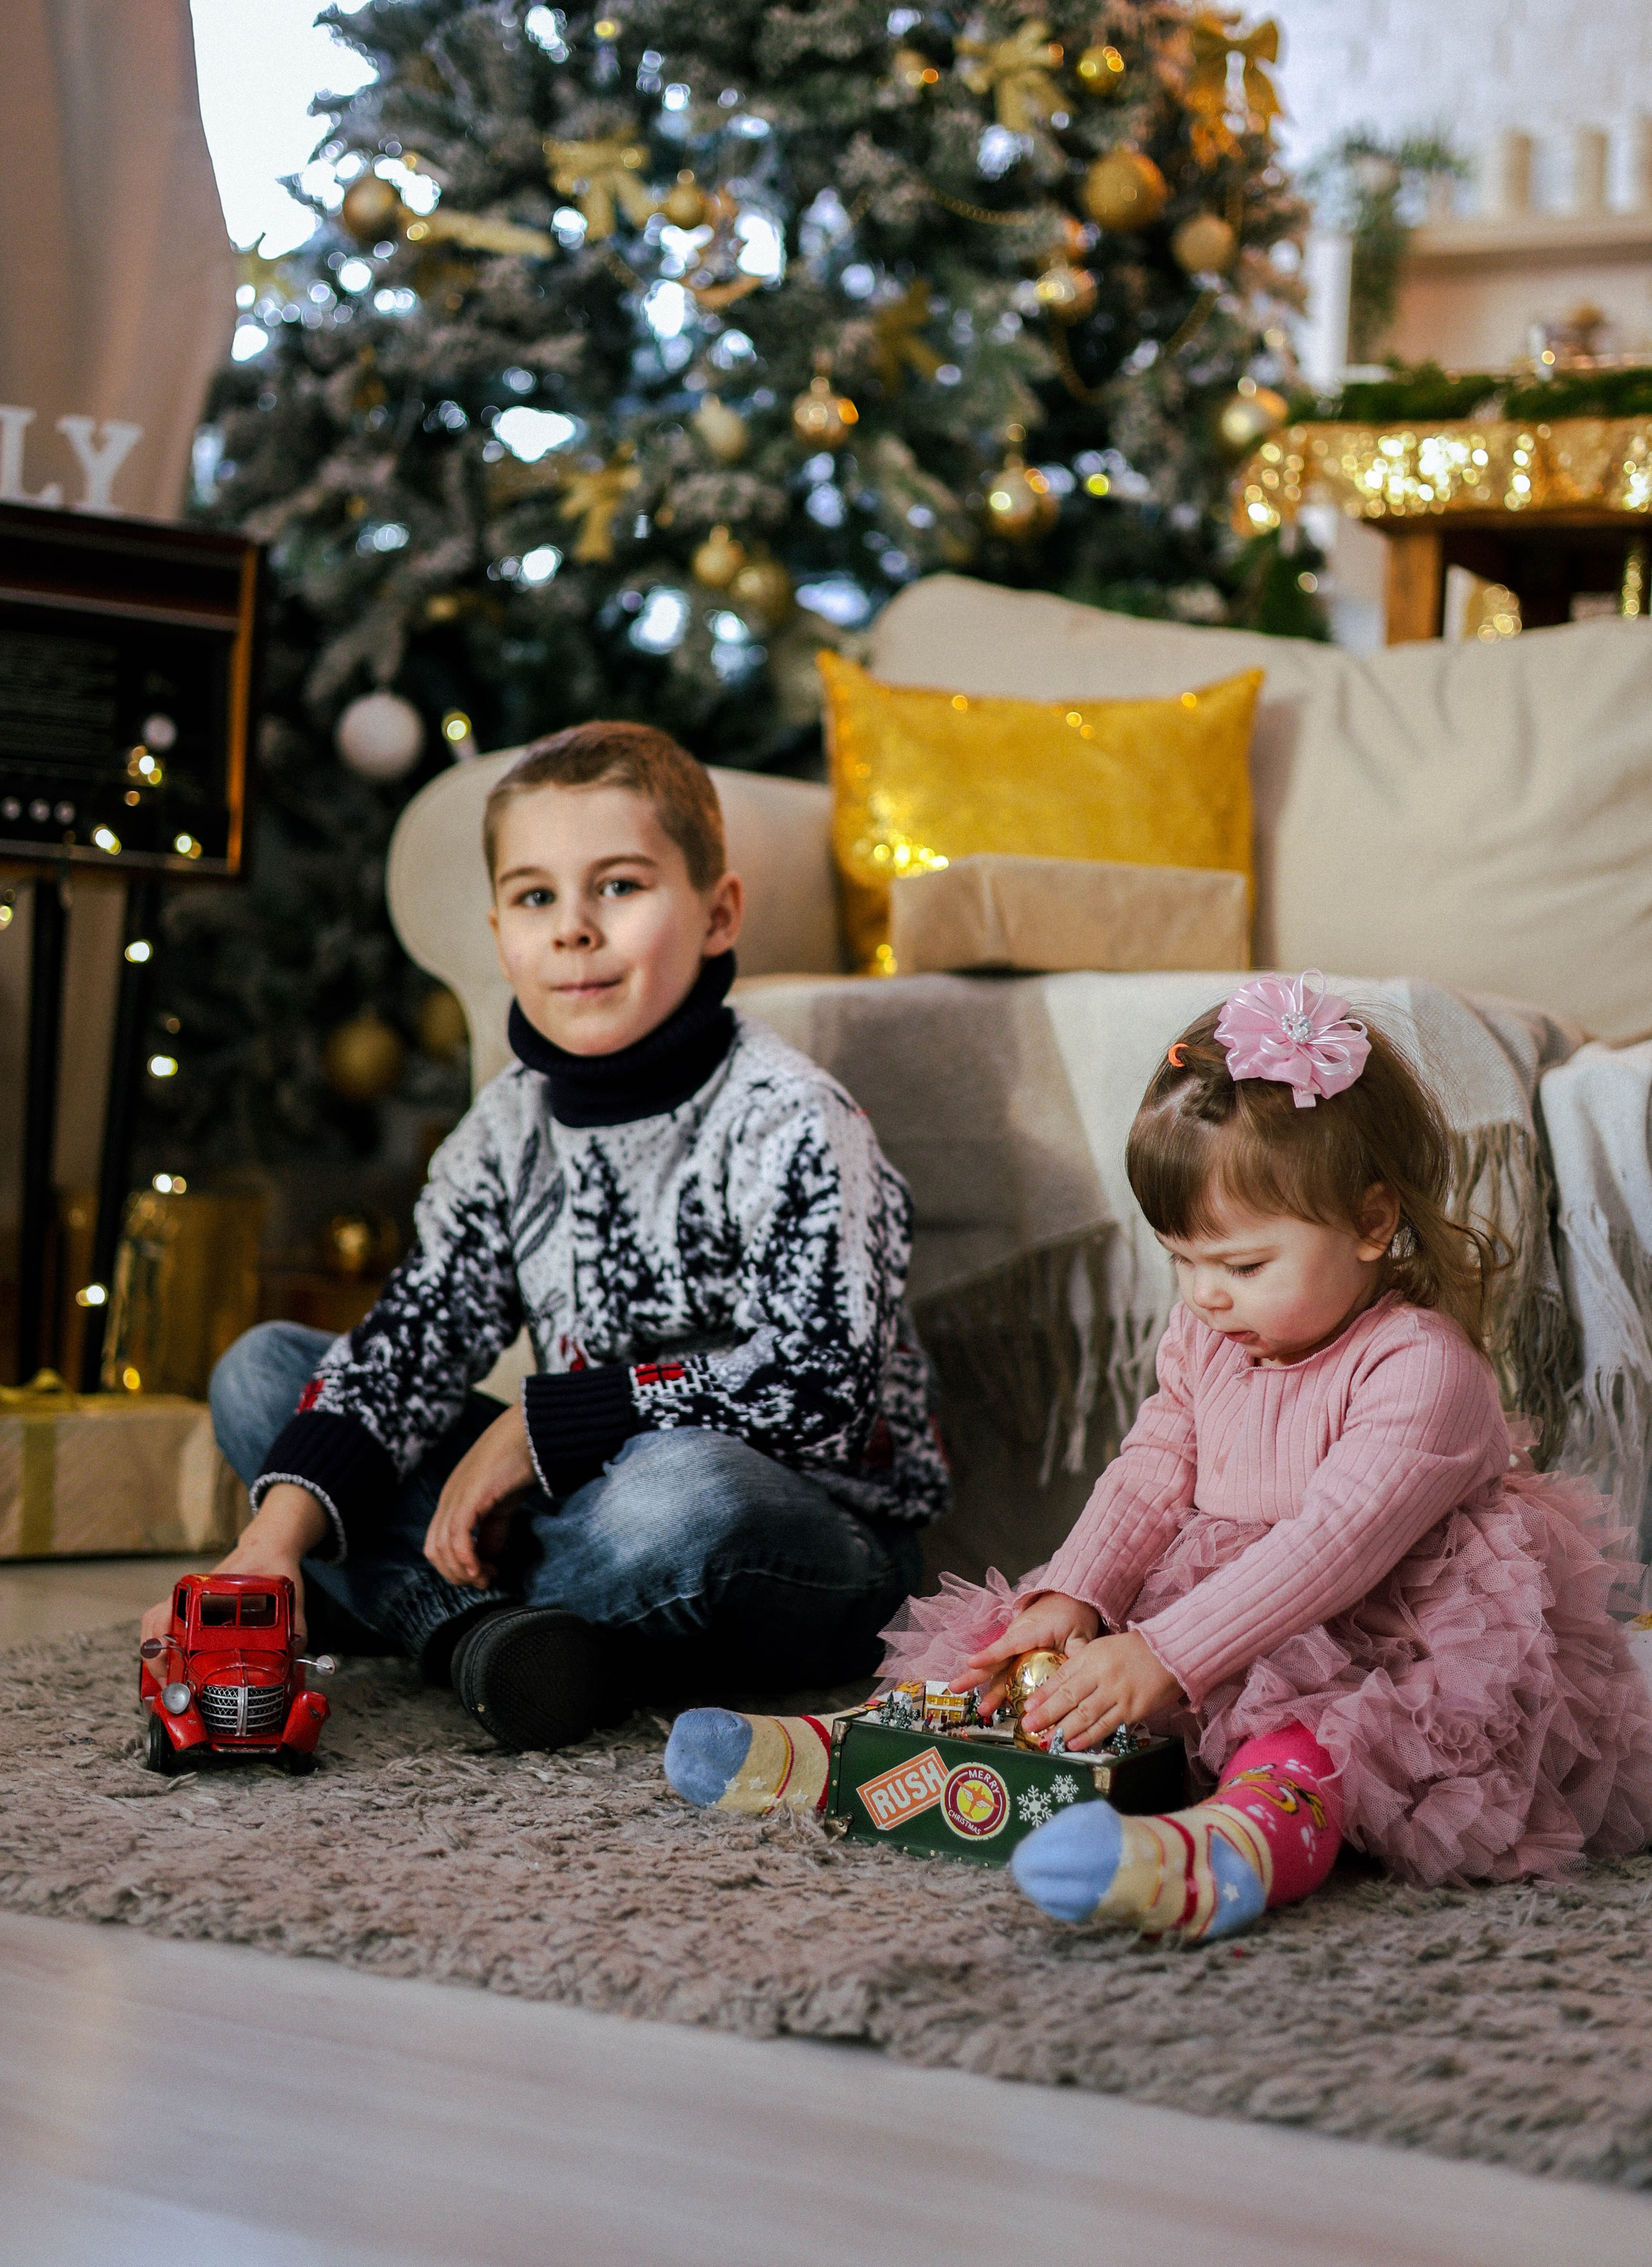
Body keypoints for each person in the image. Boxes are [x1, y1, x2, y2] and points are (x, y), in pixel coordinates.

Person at [665, 972, 1652, 1943]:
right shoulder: (1205, 1337)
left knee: (1323, 1744)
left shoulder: (1423, 1368)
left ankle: (1225, 1852)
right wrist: (1078, 1595)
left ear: (1372, 1221)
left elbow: (1331, 1546)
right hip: (1220, 1604)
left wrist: (1170, 1654)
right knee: (1015, 1657)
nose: (1205, 1296)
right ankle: (850, 1752)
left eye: (1242, 1264)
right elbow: (1150, 1469)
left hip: (1380, 1629)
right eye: (1182, 1260)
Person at [144, 721, 947, 1751]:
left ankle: (416, 1604)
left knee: (677, 1496)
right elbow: (415, 1339)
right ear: (499, 932)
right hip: (578, 1507)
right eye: (536, 898)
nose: (573, 929)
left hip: (802, 1538)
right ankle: (505, 1635)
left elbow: (821, 1394)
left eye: (618, 887)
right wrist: (264, 1547)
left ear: (718, 913)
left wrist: (540, 1430)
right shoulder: (510, 1124)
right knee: (264, 1374)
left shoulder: (792, 1118)